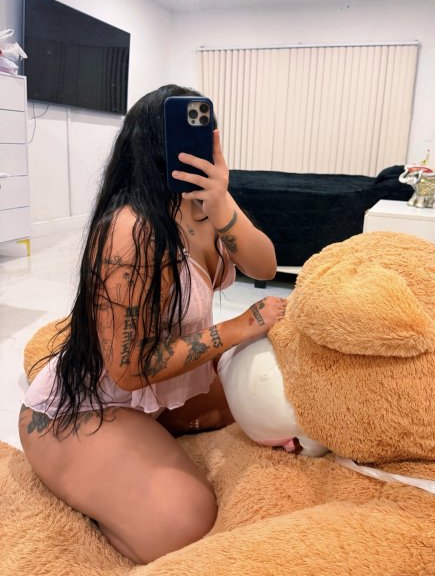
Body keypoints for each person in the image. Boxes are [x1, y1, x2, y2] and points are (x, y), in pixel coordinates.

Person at [18, 84, 286, 565]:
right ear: (150, 149)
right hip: (81, 409)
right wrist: (238, 327)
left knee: (270, 403)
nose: (197, 146)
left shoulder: (204, 207)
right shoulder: (130, 230)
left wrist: (222, 202)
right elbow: (128, 370)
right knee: (186, 521)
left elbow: (265, 265)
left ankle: (139, 450)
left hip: (155, 394)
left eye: (206, 133)